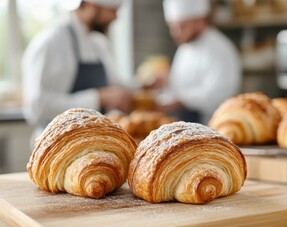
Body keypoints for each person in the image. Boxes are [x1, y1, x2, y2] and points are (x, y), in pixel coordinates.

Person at [22, 0, 134, 136]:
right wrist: (98, 98)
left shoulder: (98, 43)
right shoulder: (52, 41)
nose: (116, 17)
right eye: (112, 11)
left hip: (93, 140)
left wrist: (141, 86)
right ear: (91, 6)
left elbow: (116, 84)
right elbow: (37, 107)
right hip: (57, 142)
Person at [156, 0, 242, 124]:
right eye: (171, 26)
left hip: (211, 126)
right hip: (184, 123)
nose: (174, 33)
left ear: (200, 21)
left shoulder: (220, 48)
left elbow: (218, 95)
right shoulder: (185, 48)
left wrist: (179, 101)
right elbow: (179, 85)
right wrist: (165, 81)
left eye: (181, 26)